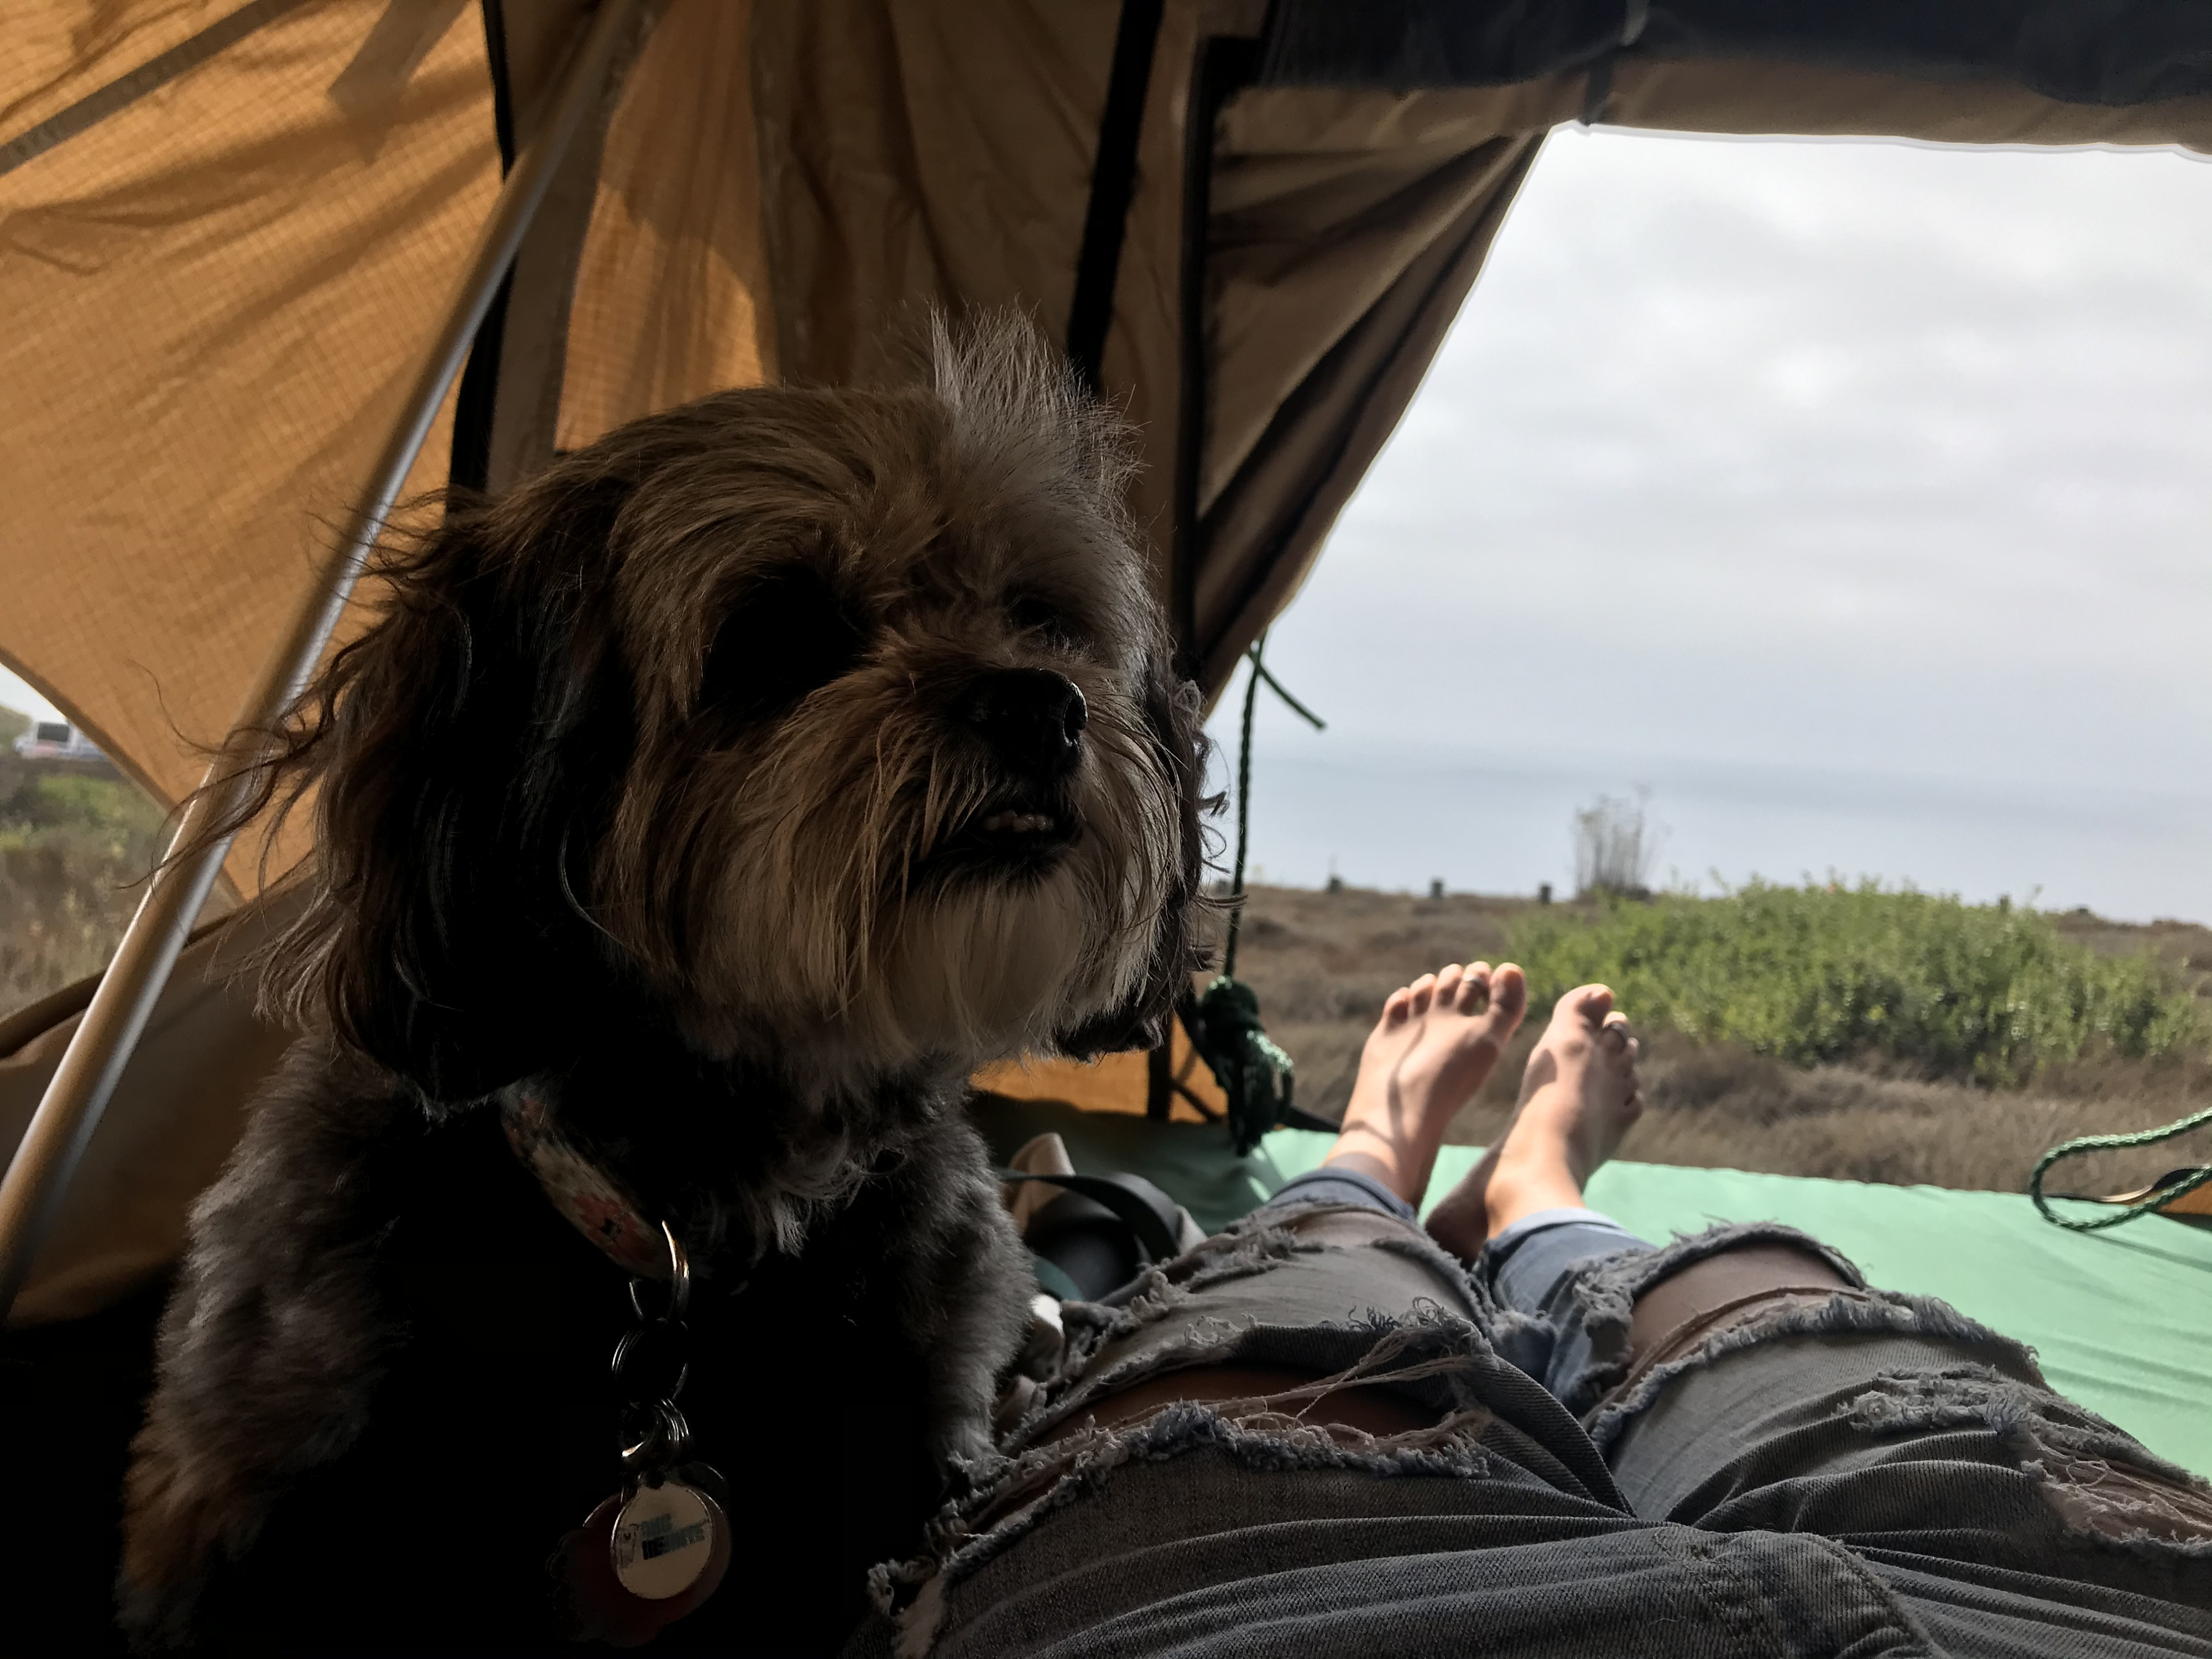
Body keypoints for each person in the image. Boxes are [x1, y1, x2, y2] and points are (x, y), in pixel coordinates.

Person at [860, 965, 2212, 1658]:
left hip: (1252, 1613)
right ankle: (1535, 1204)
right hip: (2079, 1617)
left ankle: (1370, 1173)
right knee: (1804, 1343)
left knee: (1310, 1309)